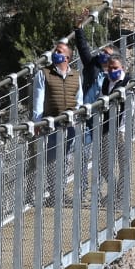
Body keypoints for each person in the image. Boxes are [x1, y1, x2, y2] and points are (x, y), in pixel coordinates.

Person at [31, 39, 82, 171]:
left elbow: (79, 100)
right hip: (51, 125)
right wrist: (37, 123)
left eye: (59, 51)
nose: (54, 53)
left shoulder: (76, 76)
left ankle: (61, 190)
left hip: (71, 124)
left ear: (67, 58)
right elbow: (38, 100)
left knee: (66, 160)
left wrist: (77, 117)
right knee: (51, 162)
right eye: (55, 51)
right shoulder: (43, 74)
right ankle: (54, 190)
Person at [97, 54, 133, 228]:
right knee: (104, 164)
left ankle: (120, 197)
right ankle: (114, 192)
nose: (111, 71)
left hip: (122, 130)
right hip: (106, 129)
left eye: (115, 68)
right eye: (109, 68)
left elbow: (130, 105)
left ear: (122, 68)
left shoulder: (129, 82)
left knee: (123, 162)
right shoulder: (106, 82)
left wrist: (124, 129)